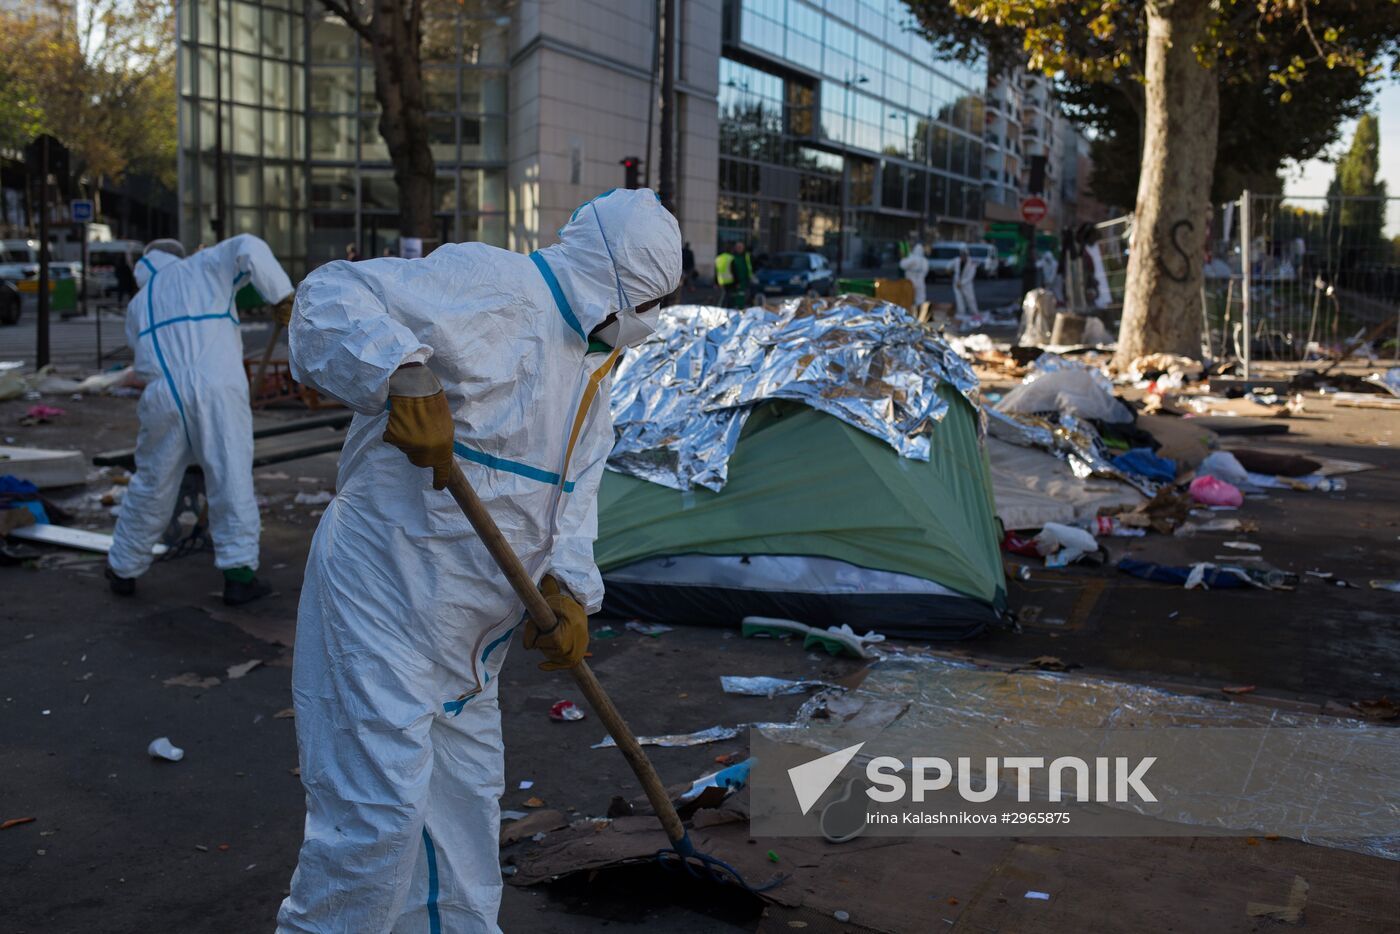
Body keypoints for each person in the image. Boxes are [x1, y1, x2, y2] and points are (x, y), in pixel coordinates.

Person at [276, 187, 681, 933]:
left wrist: (566, 590)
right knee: (374, 830)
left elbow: (570, 500)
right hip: (384, 609)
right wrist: (399, 373)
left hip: (472, 642)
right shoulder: (493, 287)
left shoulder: (591, 373)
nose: (653, 321)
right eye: (654, 302)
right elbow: (328, 297)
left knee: (461, 829)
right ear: (621, 289)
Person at [106, 236, 293, 605]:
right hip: (218, 387)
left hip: (162, 395)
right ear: (181, 254)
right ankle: (238, 575)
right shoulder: (205, 265)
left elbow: (138, 346)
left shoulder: (139, 302)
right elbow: (249, 245)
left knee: (152, 482)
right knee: (229, 476)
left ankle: (123, 568)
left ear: (146, 264)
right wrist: (281, 294)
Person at [715, 240, 753, 309]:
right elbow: (732, 270)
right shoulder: (732, 257)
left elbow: (749, 266)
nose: (739, 248)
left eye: (741, 247)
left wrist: (749, 277)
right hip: (734, 281)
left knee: (741, 296)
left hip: (742, 280)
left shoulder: (746, 256)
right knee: (731, 297)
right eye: (738, 247)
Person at [898, 242, 929, 308]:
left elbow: (902, 265)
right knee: (920, 298)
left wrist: (903, 257)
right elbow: (926, 271)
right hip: (920, 281)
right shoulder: (924, 260)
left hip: (910, 281)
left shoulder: (911, 258)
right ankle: (920, 312)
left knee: (909, 298)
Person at [953, 246, 979, 320]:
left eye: (964, 255)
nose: (962, 257)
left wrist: (961, 283)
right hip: (957, 284)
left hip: (966, 285)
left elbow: (970, 277)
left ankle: (975, 312)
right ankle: (961, 313)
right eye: (961, 255)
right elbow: (953, 269)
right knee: (959, 300)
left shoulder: (972, 263)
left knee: (970, 299)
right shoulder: (957, 261)